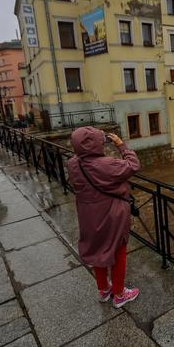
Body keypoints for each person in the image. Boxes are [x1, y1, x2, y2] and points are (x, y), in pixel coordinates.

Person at [67, 127, 141, 308]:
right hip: (110, 214)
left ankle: (103, 289)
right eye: (101, 140)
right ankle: (119, 294)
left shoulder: (72, 163)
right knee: (118, 251)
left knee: (96, 249)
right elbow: (133, 165)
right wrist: (121, 145)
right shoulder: (106, 164)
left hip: (88, 215)